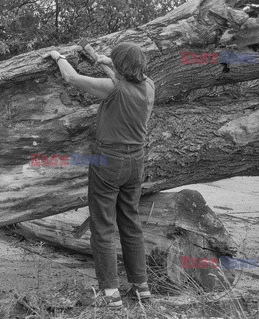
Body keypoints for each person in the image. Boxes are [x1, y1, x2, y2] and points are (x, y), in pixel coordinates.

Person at [49, 42, 155, 308]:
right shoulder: (149, 86)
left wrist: (58, 56)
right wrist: (107, 63)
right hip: (136, 161)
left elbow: (71, 77)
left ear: (120, 67)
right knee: (131, 223)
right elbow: (123, 82)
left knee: (103, 226)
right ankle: (142, 288)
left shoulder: (113, 89)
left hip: (109, 161)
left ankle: (110, 292)